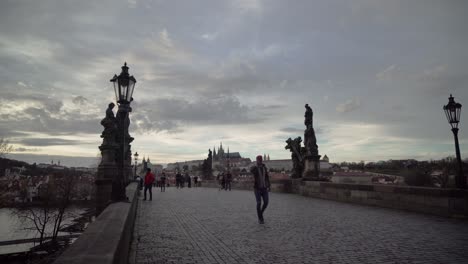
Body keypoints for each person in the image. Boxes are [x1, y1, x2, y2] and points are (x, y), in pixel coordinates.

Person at [250, 155, 271, 224]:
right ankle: (260, 218)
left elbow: (267, 177)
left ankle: (260, 213)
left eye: (260, 160)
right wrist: (254, 166)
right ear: (257, 160)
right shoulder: (255, 168)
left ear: (262, 160)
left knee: (266, 202)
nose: (259, 161)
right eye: (258, 160)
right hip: (257, 188)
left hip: (264, 188)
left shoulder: (264, 168)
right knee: (259, 203)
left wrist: (269, 185)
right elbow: (251, 170)